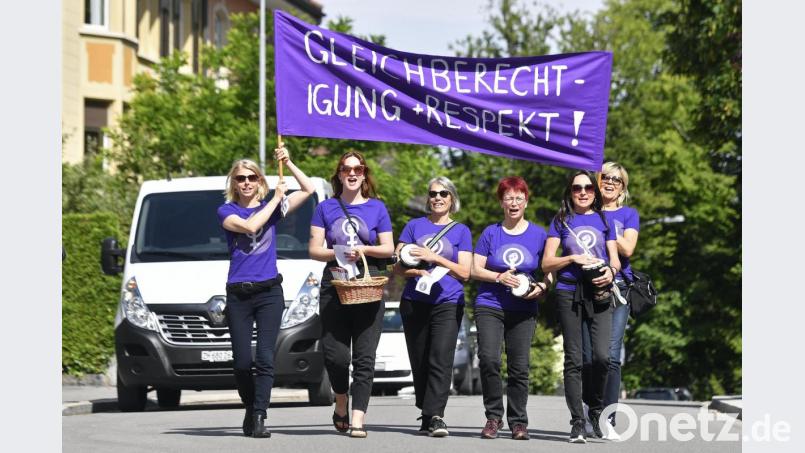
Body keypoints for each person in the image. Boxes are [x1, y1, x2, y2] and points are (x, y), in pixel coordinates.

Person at [217, 147, 315, 438]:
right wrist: (275, 198)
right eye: (240, 178)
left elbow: (308, 188)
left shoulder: (273, 208)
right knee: (241, 362)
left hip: (269, 292)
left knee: (264, 358)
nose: (246, 182)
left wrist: (288, 162)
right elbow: (250, 226)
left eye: (252, 177)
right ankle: (251, 406)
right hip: (238, 295)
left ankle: (260, 415)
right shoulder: (227, 211)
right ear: (233, 184)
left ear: (260, 180)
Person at [309, 151, 395, 438]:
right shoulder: (325, 207)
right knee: (336, 356)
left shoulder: (377, 208)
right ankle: (341, 399)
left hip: (368, 285)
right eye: (347, 169)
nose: (353, 173)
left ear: (365, 173)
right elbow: (314, 249)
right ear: (340, 174)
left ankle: (358, 418)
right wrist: (339, 252)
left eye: (358, 169)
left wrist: (364, 251)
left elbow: (388, 249)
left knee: (365, 357)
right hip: (334, 284)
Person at [542, 170, 621, 443]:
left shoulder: (603, 219)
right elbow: (547, 263)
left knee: (602, 357)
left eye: (588, 187)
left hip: (599, 291)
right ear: (570, 192)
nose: (583, 192)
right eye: (577, 188)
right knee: (573, 359)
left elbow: (615, 260)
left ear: (595, 192)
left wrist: (610, 272)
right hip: (567, 292)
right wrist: (572, 258)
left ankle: (595, 408)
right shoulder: (561, 220)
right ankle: (577, 421)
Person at [471, 176, 550, 441]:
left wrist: (543, 287)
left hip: (523, 309)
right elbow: (474, 269)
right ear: (501, 202)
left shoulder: (539, 234)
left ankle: (518, 422)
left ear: (526, 201)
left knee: (519, 367)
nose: (513, 203)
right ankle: (493, 417)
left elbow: (549, 271)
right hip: (490, 305)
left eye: (518, 198)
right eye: (508, 198)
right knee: (490, 360)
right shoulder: (490, 233)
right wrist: (498, 277)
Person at [394, 176, 472, 437]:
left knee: (440, 357)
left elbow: (465, 271)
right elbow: (397, 265)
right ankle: (427, 412)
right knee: (420, 359)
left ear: (452, 199)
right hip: (415, 301)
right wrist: (412, 271)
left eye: (443, 194)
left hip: (447, 301)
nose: (437, 198)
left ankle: (437, 415)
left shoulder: (461, 231)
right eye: (433, 193)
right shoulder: (414, 226)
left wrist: (434, 257)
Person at [581, 162, 640, 440]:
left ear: (623, 187)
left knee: (612, 356)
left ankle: (608, 418)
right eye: (605, 177)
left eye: (617, 179)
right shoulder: (583, 209)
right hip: (584, 287)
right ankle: (589, 409)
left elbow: (628, 248)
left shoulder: (628, 215)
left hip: (617, 289)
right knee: (589, 356)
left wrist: (603, 227)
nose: (610, 182)